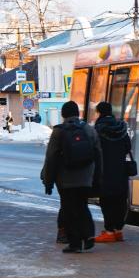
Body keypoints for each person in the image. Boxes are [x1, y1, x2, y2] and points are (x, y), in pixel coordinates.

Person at [41, 101, 103, 253]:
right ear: (78, 113)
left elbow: (51, 158)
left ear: (63, 114)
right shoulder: (89, 130)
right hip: (86, 177)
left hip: (65, 179)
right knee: (82, 206)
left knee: (68, 209)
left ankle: (75, 243)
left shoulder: (58, 132)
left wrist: (48, 181)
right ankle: (88, 235)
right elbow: (98, 154)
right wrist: (98, 176)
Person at [93, 102, 131, 243]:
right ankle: (118, 231)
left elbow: (94, 150)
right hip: (121, 170)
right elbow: (128, 146)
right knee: (120, 200)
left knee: (107, 201)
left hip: (105, 171)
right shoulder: (121, 128)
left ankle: (109, 231)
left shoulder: (98, 129)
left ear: (99, 113)